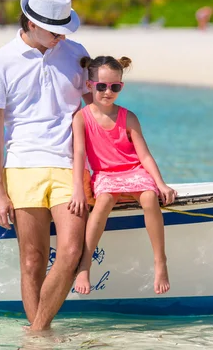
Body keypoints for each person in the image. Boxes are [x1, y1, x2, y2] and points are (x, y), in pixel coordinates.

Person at [0, 0, 92, 331]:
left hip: (69, 166)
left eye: (63, 29)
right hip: (22, 165)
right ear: (31, 22)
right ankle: (41, 335)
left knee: (71, 252)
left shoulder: (77, 52)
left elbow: (93, 115)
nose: (61, 36)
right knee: (32, 260)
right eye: (55, 30)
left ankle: (37, 333)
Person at [68, 55, 176, 296]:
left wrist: (161, 184)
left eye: (115, 87)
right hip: (106, 174)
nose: (108, 91)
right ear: (89, 85)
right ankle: (85, 264)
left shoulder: (128, 117)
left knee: (149, 197)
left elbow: (145, 156)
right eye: (102, 86)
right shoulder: (81, 118)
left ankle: (160, 261)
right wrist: (77, 189)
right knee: (104, 200)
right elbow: (79, 155)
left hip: (133, 170)